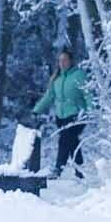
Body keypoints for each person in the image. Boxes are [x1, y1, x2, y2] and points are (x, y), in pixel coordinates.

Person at [32, 48, 91, 177]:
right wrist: (36, 110)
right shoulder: (57, 79)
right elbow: (49, 97)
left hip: (77, 115)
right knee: (72, 142)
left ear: (71, 61)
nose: (62, 63)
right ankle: (80, 171)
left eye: (65, 60)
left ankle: (58, 168)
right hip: (61, 116)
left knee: (65, 140)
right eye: (60, 60)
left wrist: (90, 110)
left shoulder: (79, 75)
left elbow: (88, 94)